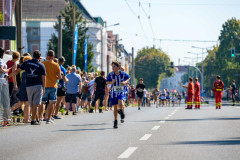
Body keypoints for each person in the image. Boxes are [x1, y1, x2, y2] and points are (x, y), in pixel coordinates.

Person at [8, 50, 46, 125]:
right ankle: (33, 120)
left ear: (33, 55)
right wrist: (44, 87)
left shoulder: (27, 62)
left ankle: (36, 119)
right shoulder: (41, 65)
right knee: (35, 104)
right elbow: (44, 78)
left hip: (28, 86)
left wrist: (9, 76)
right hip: (38, 85)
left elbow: (17, 71)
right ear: (39, 57)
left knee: (31, 104)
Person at [106, 61, 130, 129]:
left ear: (118, 67)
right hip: (114, 91)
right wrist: (111, 82)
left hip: (121, 90)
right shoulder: (111, 74)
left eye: (114, 66)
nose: (113, 68)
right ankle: (115, 121)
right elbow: (107, 82)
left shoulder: (122, 73)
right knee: (115, 107)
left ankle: (121, 111)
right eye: (112, 66)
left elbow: (128, 77)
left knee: (120, 102)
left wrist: (125, 82)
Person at [39, 50, 61, 124]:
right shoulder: (56, 65)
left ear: (47, 56)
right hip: (53, 86)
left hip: (44, 85)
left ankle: (40, 118)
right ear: (53, 57)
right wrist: (55, 77)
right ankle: (48, 119)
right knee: (51, 103)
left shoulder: (42, 63)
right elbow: (59, 77)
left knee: (42, 102)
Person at [10, 56, 32, 123]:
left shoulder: (23, 70)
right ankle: (26, 119)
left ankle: (8, 112)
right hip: (25, 88)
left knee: (20, 103)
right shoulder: (27, 71)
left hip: (22, 88)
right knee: (27, 104)